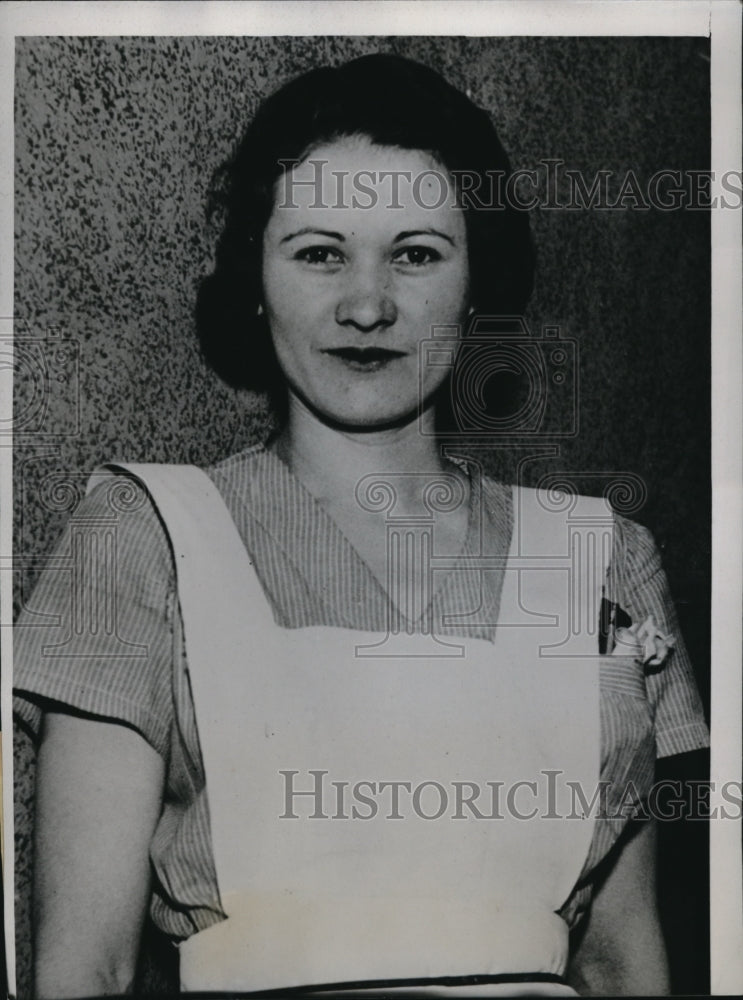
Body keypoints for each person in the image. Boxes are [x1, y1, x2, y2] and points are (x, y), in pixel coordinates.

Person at [13, 54, 709, 997]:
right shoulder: (146, 534)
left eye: (416, 253)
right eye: (318, 252)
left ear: (477, 282)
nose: (367, 305)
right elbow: (81, 968)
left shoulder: (597, 555)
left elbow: (623, 958)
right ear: (255, 278)